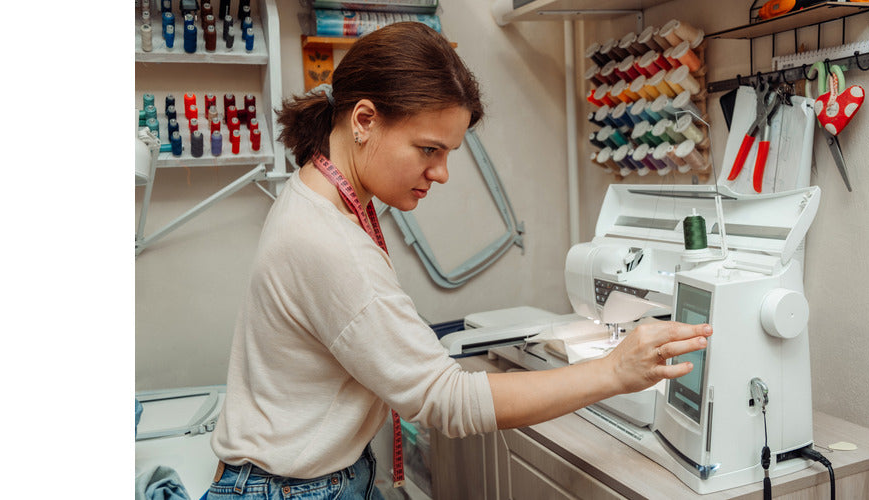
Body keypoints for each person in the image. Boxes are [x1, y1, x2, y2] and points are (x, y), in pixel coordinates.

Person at [203, 22, 711, 500]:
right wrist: (614, 372)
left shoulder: (316, 196)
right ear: (364, 120)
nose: (442, 173)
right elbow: (445, 400)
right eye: (428, 149)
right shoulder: (328, 243)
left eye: (448, 152)